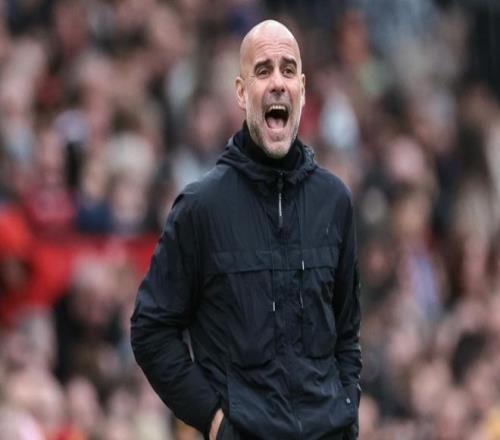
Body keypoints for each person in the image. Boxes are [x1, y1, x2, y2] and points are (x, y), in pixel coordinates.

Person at [131, 20, 362, 440]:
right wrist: (215, 421)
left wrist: (346, 409)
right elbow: (151, 331)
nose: (277, 83)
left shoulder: (335, 201)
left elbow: (347, 333)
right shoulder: (201, 208)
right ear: (241, 92)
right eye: (263, 70)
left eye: (288, 70)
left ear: (302, 89)